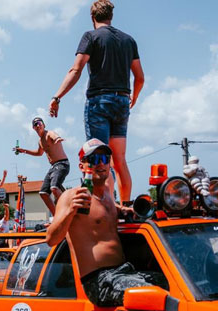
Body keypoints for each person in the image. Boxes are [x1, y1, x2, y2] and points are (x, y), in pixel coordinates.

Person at [46, 139, 165, 307]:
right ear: (82, 166)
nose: (100, 164)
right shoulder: (71, 196)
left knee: (169, 283)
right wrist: (70, 211)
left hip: (123, 272)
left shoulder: (108, 197)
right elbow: (51, 239)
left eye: (104, 159)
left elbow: (103, 215)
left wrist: (123, 211)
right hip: (98, 280)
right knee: (154, 294)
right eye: (94, 159)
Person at [48, 0, 144, 205]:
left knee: (99, 159)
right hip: (122, 100)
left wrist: (57, 97)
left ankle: (104, 206)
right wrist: (133, 97)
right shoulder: (129, 40)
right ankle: (124, 206)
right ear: (111, 16)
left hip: (99, 101)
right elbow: (140, 77)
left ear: (93, 18)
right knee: (119, 160)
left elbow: (76, 69)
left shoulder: (91, 36)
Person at [14, 117, 69, 214]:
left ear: (44, 125)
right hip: (53, 167)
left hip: (62, 164)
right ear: (33, 128)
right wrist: (24, 151)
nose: (38, 125)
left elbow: (55, 136)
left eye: (39, 123)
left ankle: (68, 208)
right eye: (35, 124)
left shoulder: (49, 134)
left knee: (54, 188)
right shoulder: (40, 141)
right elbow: (39, 153)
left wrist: (57, 139)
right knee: (43, 193)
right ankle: (57, 215)